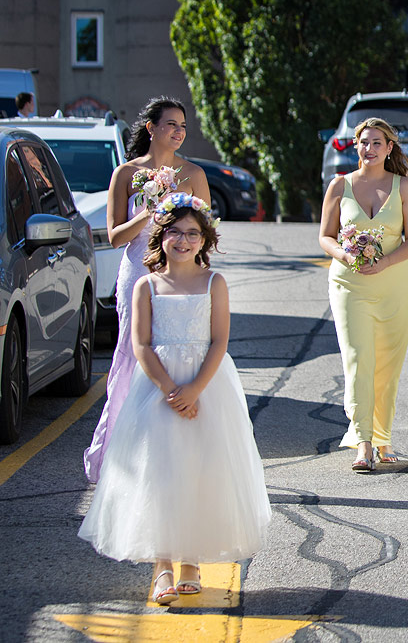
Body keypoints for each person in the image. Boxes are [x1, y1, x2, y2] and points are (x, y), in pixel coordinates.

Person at [78, 194, 270, 605]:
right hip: (159, 388)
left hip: (207, 383)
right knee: (161, 472)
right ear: (161, 236)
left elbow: (219, 340)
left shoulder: (213, 282)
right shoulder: (147, 285)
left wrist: (196, 389)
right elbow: (141, 344)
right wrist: (170, 389)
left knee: (201, 470)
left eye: (192, 234)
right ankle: (162, 564)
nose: (183, 241)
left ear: (205, 240)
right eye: (175, 233)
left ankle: (191, 561)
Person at [83, 97, 210, 482]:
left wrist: (200, 278)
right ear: (151, 128)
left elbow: (205, 232)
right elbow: (116, 235)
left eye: (183, 126)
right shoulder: (125, 174)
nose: (178, 131)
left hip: (180, 276)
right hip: (137, 271)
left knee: (176, 355)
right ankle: (120, 454)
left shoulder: (192, 174)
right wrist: (149, 209)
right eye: (170, 124)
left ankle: (172, 454)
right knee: (131, 357)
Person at [319, 118, 408, 473]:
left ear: (389, 148)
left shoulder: (404, 187)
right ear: (355, 146)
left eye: (378, 143)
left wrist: (385, 263)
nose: (370, 149)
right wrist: (345, 255)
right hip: (349, 284)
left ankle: (383, 437)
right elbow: (325, 236)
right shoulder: (339, 186)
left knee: (387, 365)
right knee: (358, 359)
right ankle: (362, 440)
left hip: (394, 286)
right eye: (364, 142)